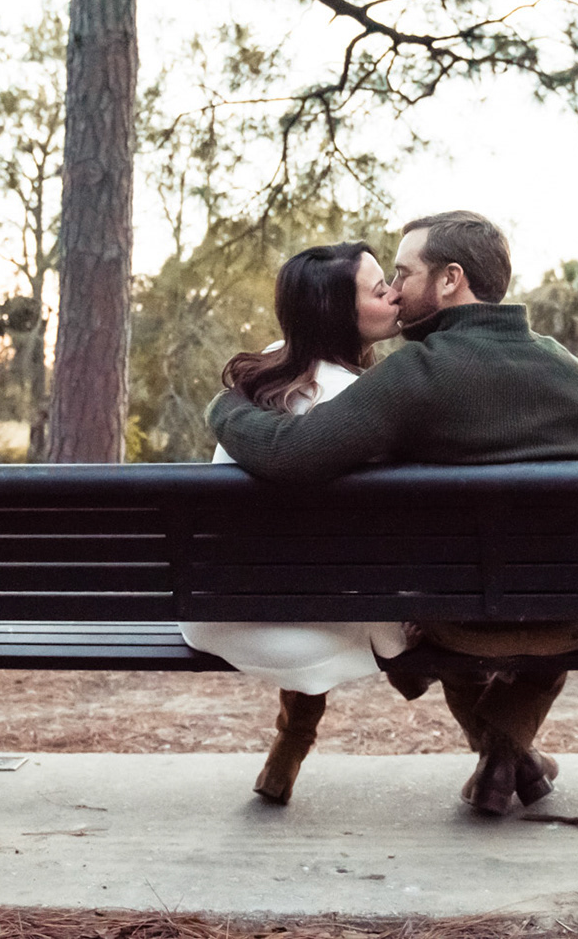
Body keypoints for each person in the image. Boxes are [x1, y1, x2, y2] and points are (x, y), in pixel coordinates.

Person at [207, 210, 578, 816]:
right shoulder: (573, 372)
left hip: (456, 620)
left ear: (450, 281)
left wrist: (226, 407)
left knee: (464, 609)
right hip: (569, 616)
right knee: (545, 609)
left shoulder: (415, 374)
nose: (394, 288)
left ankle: (503, 749)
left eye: (403, 271)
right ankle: (508, 750)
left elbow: (289, 453)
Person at [181, 241, 411, 805]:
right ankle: (508, 754)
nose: (394, 293)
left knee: (309, 572)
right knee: (437, 623)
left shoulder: (268, 368)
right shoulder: (366, 402)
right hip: (306, 623)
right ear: (339, 312)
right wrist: (400, 648)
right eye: (378, 287)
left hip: (217, 615)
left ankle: (287, 753)